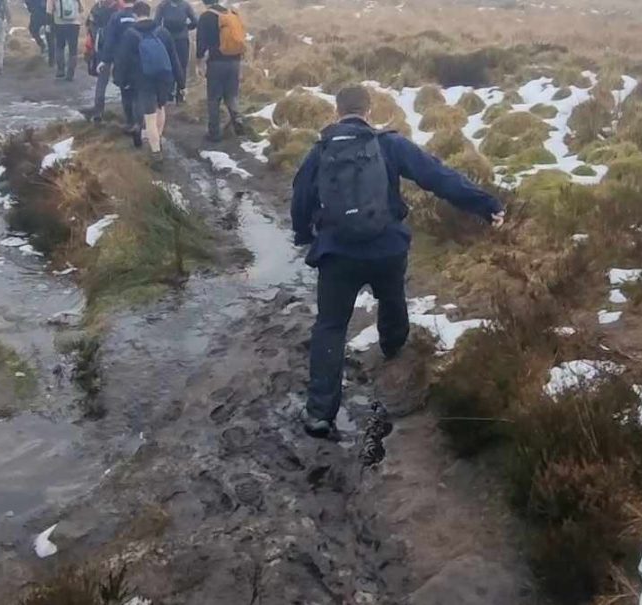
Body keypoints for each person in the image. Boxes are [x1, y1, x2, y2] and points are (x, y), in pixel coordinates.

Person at [291, 85, 506, 438]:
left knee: (330, 326)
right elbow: (438, 176)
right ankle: (392, 349)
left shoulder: (320, 152)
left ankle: (319, 413)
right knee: (391, 297)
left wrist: (305, 235)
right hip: (386, 247)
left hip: (337, 253)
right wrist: (486, 204)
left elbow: (300, 200)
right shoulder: (389, 145)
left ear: (336, 111)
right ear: (369, 111)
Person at [115, 0, 184, 161]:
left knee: (149, 116)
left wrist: (120, 80)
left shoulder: (130, 34)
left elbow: (123, 60)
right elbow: (174, 58)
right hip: (164, 77)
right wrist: (181, 82)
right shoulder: (163, 31)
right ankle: (158, 138)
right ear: (149, 12)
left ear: (135, 14)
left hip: (143, 78)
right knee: (161, 107)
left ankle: (155, 153)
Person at [196, 0, 246, 142]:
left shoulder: (206, 17)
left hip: (216, 62)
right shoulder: (230, 13)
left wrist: (199, 62)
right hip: (235, 60)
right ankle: (238, 121)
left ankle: (214, 133)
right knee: (232, 94)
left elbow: (201, 43)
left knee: (214, 98)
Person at [85, 0, 132, 121]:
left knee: (102, 81)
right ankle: (130, 116)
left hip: (102, 47)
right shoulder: (120, 9)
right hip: (120, 49)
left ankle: (98, 111)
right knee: (125, 81)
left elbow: (90, 29)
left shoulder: (96, 8)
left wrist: (90, 48)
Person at [153, 0, 197, 102]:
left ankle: (169, 93)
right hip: (182, 39)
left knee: (168, 65)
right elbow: (195, 22)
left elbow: (156, 22)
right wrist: (186, 28)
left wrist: (161, 33)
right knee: (182, 66)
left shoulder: (163, 5)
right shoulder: (186, 5)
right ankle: (180, 95)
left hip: (166, 39)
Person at [47, 0, 84, 81]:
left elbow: (49, 10)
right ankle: (71, 73)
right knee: (73, 49)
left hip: (59, 23)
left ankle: (60, 70)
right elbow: (81, 9)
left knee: (60, 46)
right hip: (74, 24)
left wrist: (49, 23)